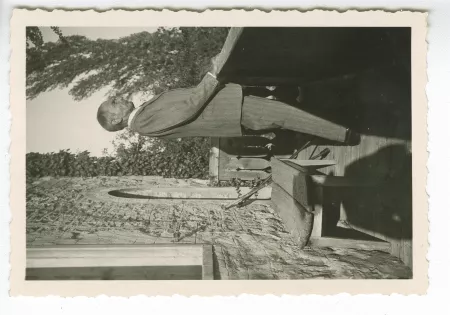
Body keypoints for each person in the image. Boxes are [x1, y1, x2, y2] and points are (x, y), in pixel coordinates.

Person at [97, 59, 360, 145]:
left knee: (288, 108)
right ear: (115, 120)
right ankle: (347, 134)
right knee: (289, 115)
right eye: (113, 102)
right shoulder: (142, 122)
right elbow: (188, 107)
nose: (118, 96)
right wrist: (211, 77)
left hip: (230, 105)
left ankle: (344, 117)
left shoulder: (143, 116)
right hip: (231, 111)